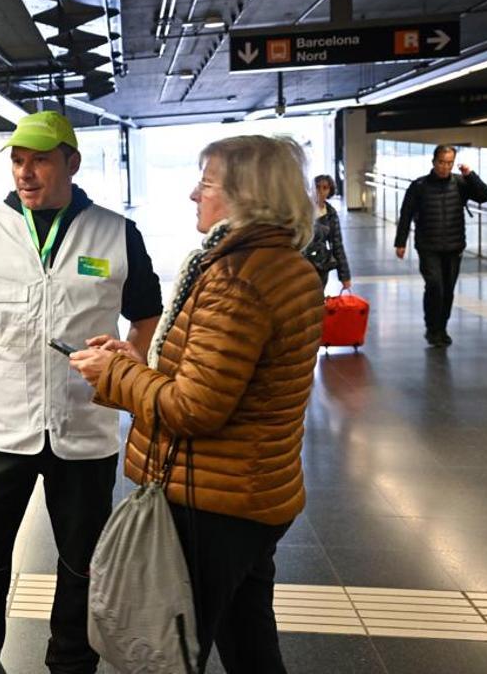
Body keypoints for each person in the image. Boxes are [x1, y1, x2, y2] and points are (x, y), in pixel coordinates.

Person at [70, 135, 323, 674]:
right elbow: (218, 376)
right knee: (250, 642)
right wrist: (135, 363)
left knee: (170, 653)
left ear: (245, 195)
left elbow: (195, 408)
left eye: (206, 184)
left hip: (211, 501)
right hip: (253, 489)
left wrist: (114, 374)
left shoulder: (236, 279)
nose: (193, 195)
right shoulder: (285, 265)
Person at [0, 110, 162, 674]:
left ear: (72, 163)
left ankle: (71, 664)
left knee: (83, 564)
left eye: (39, 159)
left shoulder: (115, 232)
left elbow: (147, 312)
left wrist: (131, 359)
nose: (25, 172)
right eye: (17, 159)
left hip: (84, 431)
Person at [394, 144, 487, 347]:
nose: (445, 167)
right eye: (441, 162)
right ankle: (432, 328)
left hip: (454, 247)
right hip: (428, 246)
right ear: (433, 162)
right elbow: (406, 214)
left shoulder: (460, 184)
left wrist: (471, 175)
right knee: (434, 286)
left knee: (448, 290)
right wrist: (400, 242)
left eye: (449, 163)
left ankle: (442, 328)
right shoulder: (419, 186)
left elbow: (485, 196)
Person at [303, 174, 351, 291]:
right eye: (317, 187)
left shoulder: (331, 213)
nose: (320, 191)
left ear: (330, 191)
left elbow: (337, 244)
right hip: (303, 262)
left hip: (321, 263)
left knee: (318, 297)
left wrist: (344, 276)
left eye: (325, 188)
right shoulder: (303, 210)